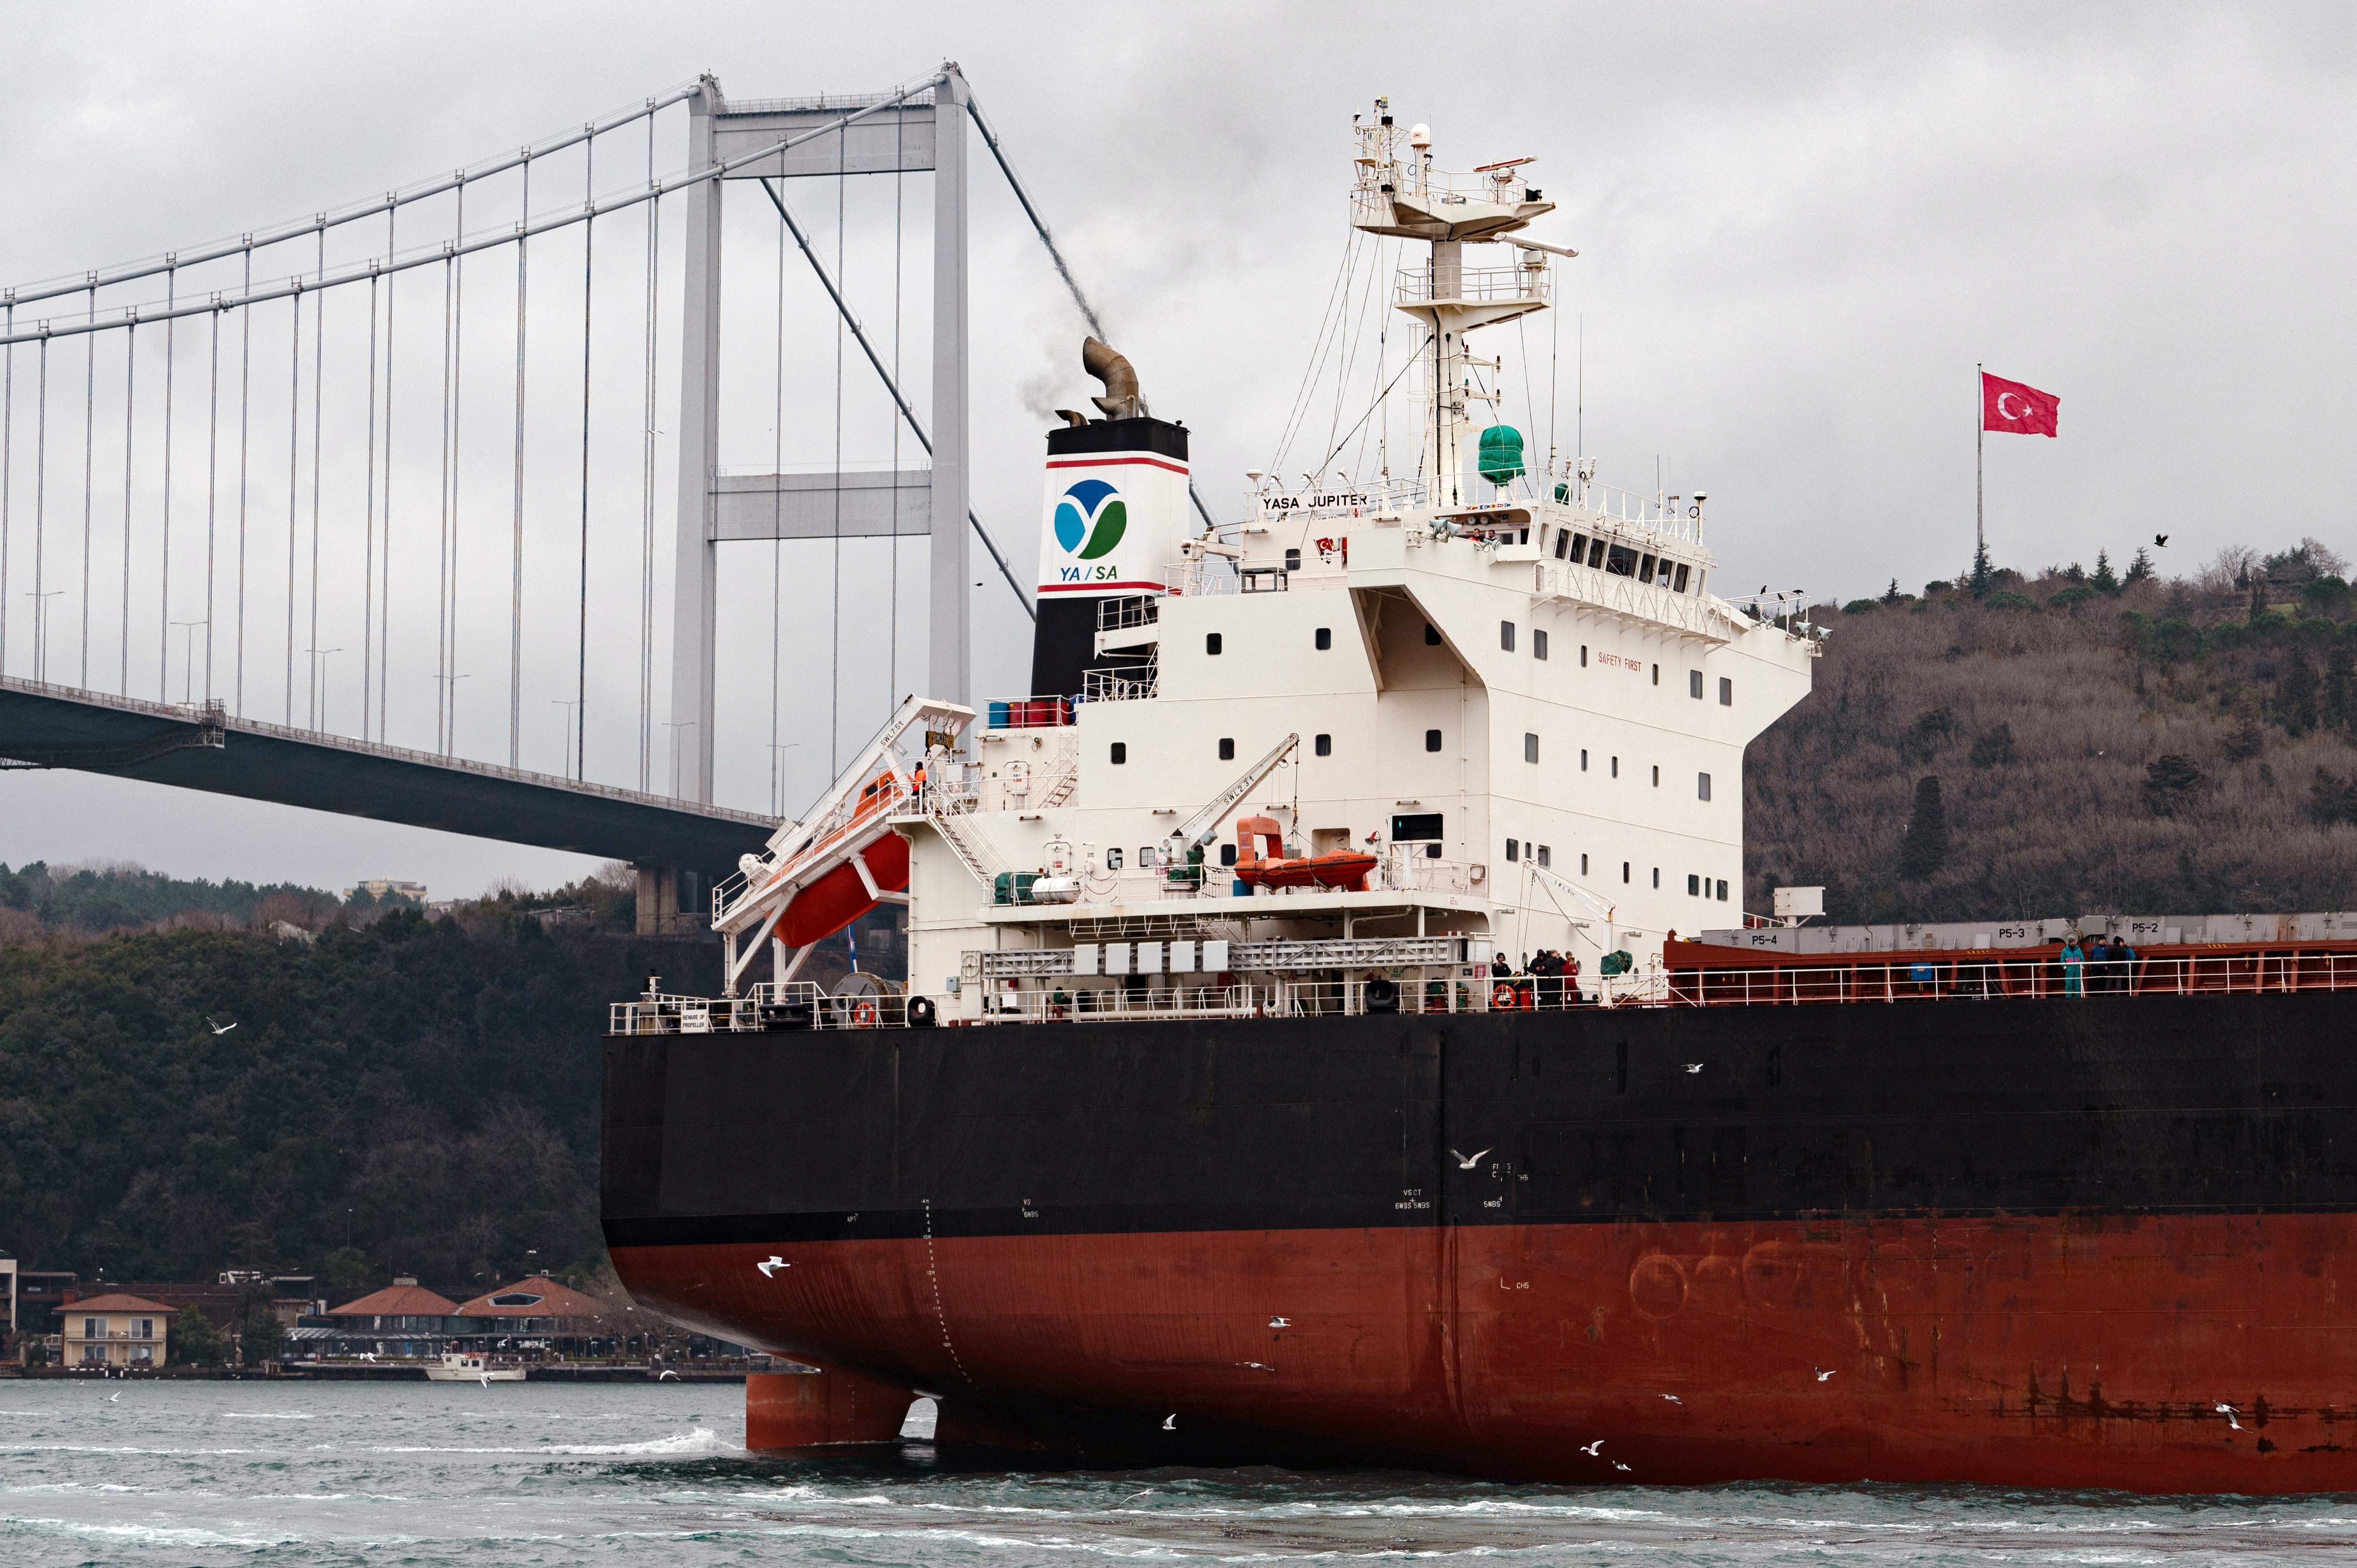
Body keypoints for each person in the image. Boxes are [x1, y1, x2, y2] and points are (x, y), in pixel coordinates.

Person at [2060, 933, 2085, 999]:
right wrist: (2064, 966)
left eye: (2074, 942)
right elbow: (2062, 960)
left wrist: (2082, 965)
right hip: (2069, 970)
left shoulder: (2079, 950)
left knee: (2078, 984)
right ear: (2069, 943)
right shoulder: (2065, 951)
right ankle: (2069, 997)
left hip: (2077, 969)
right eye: (2072, 942)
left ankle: (2078, 998)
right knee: (2069, 984)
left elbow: (2082, 959)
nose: (2074, 943)